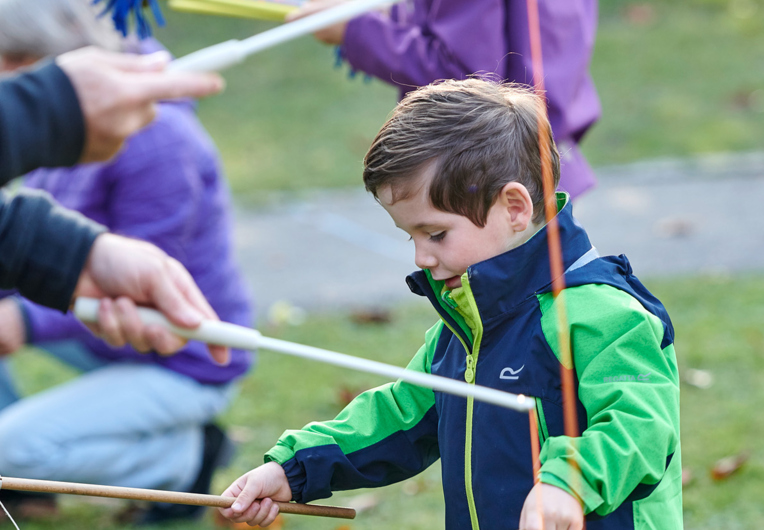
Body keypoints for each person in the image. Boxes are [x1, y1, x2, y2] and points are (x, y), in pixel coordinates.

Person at [219, 80, 681, 529]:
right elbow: (401, 415)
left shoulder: (605, 313)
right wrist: (292, 471)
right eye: (411, 236)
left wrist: (567, 483)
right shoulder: (464, 327)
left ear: (515, 208)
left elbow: (642, 426)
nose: (421, 257)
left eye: (436, 234)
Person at [0, 0, 252, 524]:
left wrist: (20, 317)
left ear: (33, 58)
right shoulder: (56, 132)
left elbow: (144, 282)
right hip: (97, 336)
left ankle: (182, 459)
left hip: (181, 359)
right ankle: (25, 486)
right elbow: (29, 244)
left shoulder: (158, 143)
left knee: (7, 452)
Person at [288, 0, 601, 199]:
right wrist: (385, 14)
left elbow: (466, 77)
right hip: (546, 152)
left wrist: (355, 31)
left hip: (488, 174)